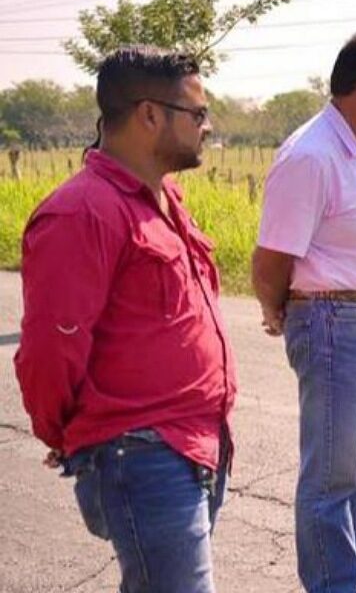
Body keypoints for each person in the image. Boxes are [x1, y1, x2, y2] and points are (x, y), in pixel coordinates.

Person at [14, 45, 235, 592]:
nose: (207, 126)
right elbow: (48, 349)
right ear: (149, 115)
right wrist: (65, 435)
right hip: (142, 454)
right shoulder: (81, 211)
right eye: (198, 113)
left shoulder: (163, 197)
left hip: (192, 444)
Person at [251, 31, 356, 593]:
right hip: (334, 323)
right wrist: (282, 313)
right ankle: (332, 584)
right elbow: (273, 256)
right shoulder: (311, 154)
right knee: (331, 473)